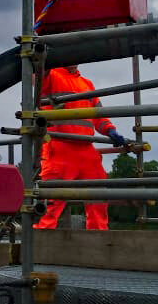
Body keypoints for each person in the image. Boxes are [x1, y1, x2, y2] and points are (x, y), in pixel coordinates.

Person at [36, 64, 130, 231]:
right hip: (59, 146)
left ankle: (99, 236)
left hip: (86, 148)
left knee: (98, 195)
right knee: (52, 200)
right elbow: (38, 75)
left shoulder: (87, 84)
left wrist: (110, 130)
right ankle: (40, 239)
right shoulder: (52, 75)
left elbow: (99, 115)